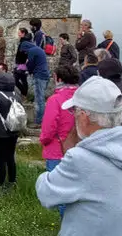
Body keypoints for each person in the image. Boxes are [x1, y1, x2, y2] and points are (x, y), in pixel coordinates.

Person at [35, 76, 122, 236]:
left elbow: (46, 194)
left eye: (74, 111)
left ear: (84, 117)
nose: (73, 116)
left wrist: (71, 152)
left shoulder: (81, 159)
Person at [40, 65, 78, 216]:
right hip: (81, 148)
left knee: (61, 192)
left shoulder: (55, 99)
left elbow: (49, 127)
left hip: (58, 149)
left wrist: (43, 140)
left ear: (59, 78)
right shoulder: (82, 98)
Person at [24, 30, 50, 127]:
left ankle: (39, 122)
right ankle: (41, 120)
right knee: (40, 99)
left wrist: (28, 66)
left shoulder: (31, 51)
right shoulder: (38, 50)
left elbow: (30, 64)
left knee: (39, 100)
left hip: (39, 76)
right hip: (44, 75)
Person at [13, 28, 32, 98]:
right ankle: (25, 94)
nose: (18, 34)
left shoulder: (25, 41)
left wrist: (22, 61)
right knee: (23, 79)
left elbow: (24, 53)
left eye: (19, 32)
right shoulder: (24, 40)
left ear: (23, 33)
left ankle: (24, 93)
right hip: (21, 63)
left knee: (15, 79)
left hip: (22, 63)